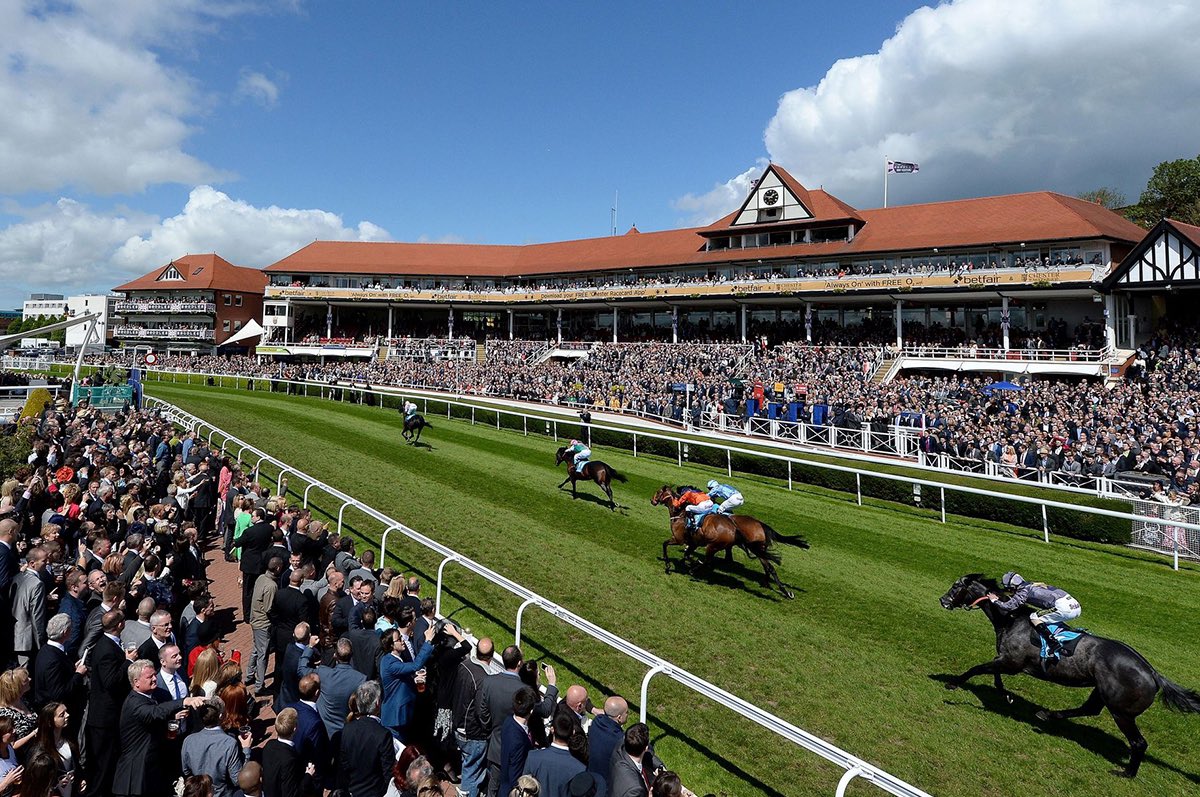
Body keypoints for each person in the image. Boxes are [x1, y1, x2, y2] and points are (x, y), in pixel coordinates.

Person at [988, 572, 1082, 657]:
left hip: (1065, 608)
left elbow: (1008, 606)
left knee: (1034, 616)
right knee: (1048, 617)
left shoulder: (1023, 591)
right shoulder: (1031, 584)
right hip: (1075, 605)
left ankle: (1053, 644)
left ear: (1012, 587)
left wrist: (994, 600)